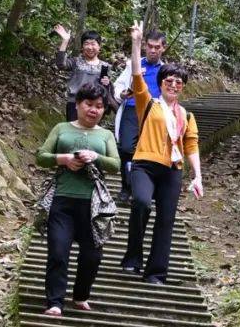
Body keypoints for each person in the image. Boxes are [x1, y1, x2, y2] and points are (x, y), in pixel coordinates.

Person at [120, 21, 203, 286]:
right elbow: (135, 74)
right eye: (169, 81)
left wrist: (198, 176)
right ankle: (133, 256)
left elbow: (191, 146)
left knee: (166, 219)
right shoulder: (149, 103)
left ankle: (156, 272)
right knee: (142, 202)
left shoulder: (186, 115)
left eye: (179, 82)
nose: (174, 85)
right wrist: (136, 43)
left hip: (172, 170)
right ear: (161, 83)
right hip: (144, 164)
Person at [35, 81, 120, 317]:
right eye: (89, 104)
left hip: (93, 205)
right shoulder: (62, 128)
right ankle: (55, 302)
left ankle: (81, 295)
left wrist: (96, 156)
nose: (94, 110)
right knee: (58, 252)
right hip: (62, 200)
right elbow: (41, 156)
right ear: (78, 104)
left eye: (99, 106)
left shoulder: (105, 135)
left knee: (92, 255)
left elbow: (115, 165)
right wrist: (63, 159)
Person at [112, 27, 167, 201]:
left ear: (163, 48)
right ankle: (126, 187)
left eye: (157, 47)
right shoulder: (133, 64)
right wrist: (122, 94)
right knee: (127, 148)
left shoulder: (166, 70)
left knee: (149, 151)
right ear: (144, 46)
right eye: (150, 46)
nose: (153, 50)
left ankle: (145, 189)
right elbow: (118, 85)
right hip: (131, 108)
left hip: (153, 113)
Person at [52, 25, 117, 122]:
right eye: (86, 44)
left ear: (99, 47)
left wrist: (107, 84)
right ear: (82, 47)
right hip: (74, 104)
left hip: (94, 107)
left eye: (93, 44)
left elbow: (107, 91)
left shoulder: (105, 66)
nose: (90, 47)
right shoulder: (76, 61)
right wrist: (65, 40)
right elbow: (61, 64)